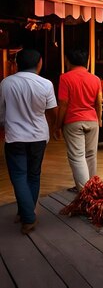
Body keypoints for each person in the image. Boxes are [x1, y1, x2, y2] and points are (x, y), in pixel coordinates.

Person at [0, 49, 57, 234]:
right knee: (33, 175)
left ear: (16, 63)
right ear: (39, 63)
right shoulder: (46, 84)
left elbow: (1, 113)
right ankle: (27, 213)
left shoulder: (6, 83)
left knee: (18, 176)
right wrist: (55, 127)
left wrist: (5, 124)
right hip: (39, 137)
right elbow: (52, 110)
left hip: (15, 136)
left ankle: (27, 216)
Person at [55, 49, 102, 190]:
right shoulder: (95, 79)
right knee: (91, 155)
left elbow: (63, 104)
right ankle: (93, 187)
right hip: (92, 120)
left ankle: (84, 192)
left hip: (73, 121)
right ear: (86, 61)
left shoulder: (65, 78)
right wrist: (99, 119)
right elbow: (98, 103)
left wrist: (57, 125)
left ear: (68, 60)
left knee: (77, 157)